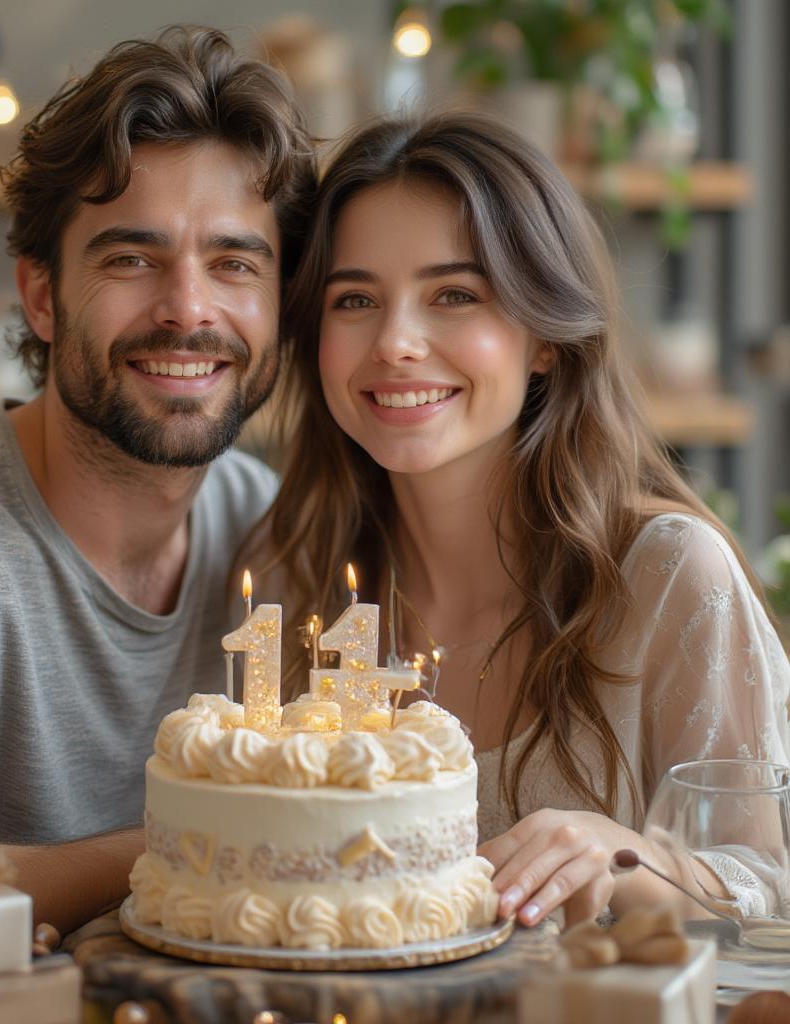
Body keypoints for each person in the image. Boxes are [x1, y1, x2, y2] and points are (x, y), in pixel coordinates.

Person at [0, 26, 316, 933]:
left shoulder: (274, 526)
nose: (188, 308)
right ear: (42, 297)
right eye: (131, 259)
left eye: (235, 264)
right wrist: (234, 831)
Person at [246, 110, 790, 929]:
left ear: (544, 337)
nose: (396, 341)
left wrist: (624, 857)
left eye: (454, 295)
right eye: (354, 298)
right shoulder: (298, 579)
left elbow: (768, 884)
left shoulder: (671, 574)